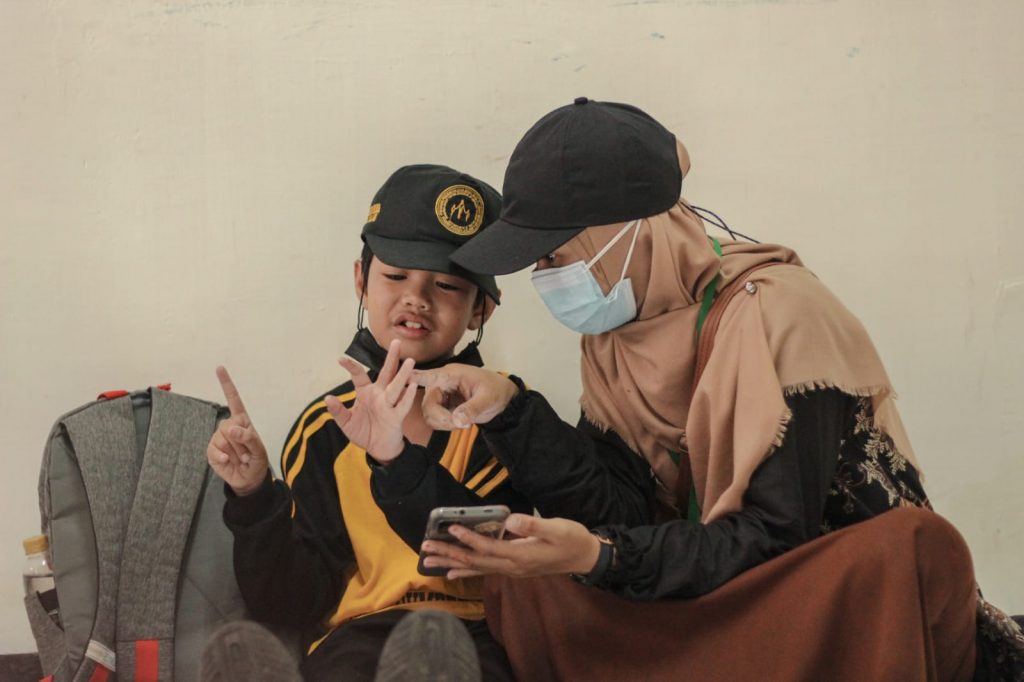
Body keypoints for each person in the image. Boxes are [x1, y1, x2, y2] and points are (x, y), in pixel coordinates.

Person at [413, 99, 1024, 681]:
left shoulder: (779, 316)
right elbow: (622, 512)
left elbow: (774, 542)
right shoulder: (613, 340)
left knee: (911, 547)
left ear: (630, 233)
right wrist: (509, 410)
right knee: (525, 584)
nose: (544, 278)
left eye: (552, 255)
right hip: (711, 592)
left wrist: (601, 556)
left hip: (817, 603)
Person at [204, 165, 531, 681]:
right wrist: (253, 497)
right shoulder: (325, 427)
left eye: (446, 284)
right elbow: (296, 601)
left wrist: (396, 459)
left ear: (480, 311)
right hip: (357, 639)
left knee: (447, 657)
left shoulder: (506, 414)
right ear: (361, 280)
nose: (416, 298)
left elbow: (501, 556)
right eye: (395, 276)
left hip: (474, 631)